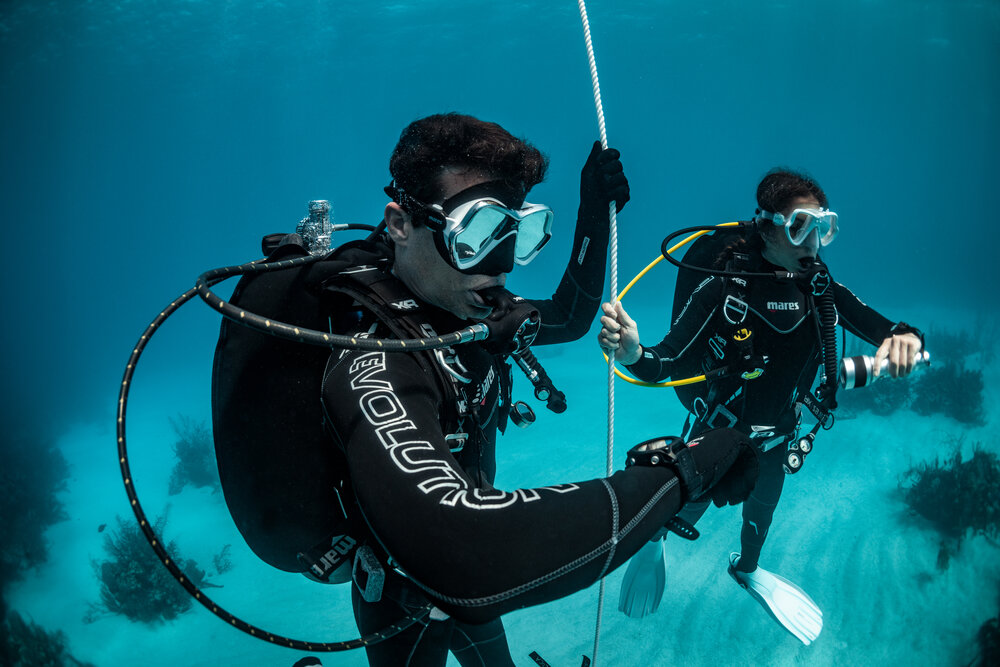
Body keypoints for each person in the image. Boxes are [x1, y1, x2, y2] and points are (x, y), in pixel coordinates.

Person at [210, 113, 759, 667]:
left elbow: (567, 317)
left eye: (516, 235)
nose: (499, 270)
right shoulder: (374, 353)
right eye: (475, 234)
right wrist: (682, 474)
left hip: (462, 580)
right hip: (405, 589)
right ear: (400, 224)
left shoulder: (453, 301)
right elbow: (465, 548)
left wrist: (593, 209)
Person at [598, 169, 923, 645]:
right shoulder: (725, 288)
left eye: (823, 228)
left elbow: (888, 328)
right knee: (684, 509)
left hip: (779, 437)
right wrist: (631, 352)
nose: (811, 242)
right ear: (767, 226)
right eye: (799, 226)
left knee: (762, 514)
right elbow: (662, 363)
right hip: (717, 439)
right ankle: (654, 541)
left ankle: (748, 571)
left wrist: (907, 339)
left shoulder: (821, 289)